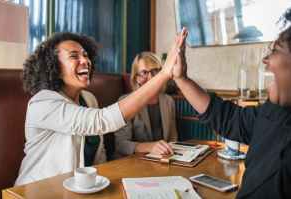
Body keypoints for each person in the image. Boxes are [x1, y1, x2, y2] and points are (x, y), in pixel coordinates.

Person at [15, 29, 188, 185]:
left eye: (86, 55)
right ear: (53, 67)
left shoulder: (89, 99)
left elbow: (100, 154)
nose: (85, 60)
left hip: (79, 190)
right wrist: (165, 73)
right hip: (36, 190)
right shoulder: (43, 102)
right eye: (74, 56)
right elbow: (101, 121)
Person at [173, 11, 291, 198]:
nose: (266, 61)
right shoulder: (273, 112)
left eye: (275, 51)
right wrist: (181, 79)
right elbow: (229, 118)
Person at [114, 52, 178, 158]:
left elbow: (173, 138)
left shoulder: (168, 101)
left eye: (155, 71)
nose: (151, 77)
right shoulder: (125, 101)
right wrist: (150, 147)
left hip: (163, 160)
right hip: (133, 161)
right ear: (136, 78)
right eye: (144, 72)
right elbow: (121, 144)